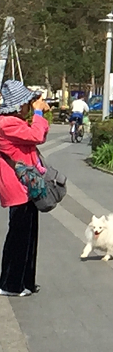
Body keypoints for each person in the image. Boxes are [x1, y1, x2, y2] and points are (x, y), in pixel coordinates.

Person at [0, 81, 49, 297]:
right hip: (17, 185)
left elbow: (37, 135)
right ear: (20, 105)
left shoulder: (14, 122)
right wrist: (39, 112)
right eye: (28, 103)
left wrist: (37, 115)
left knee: (28, 235)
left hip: (27, 184)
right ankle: (11, 283)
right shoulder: (7, 123)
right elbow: (37, 135)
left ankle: (25, 281)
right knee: (19, 236)